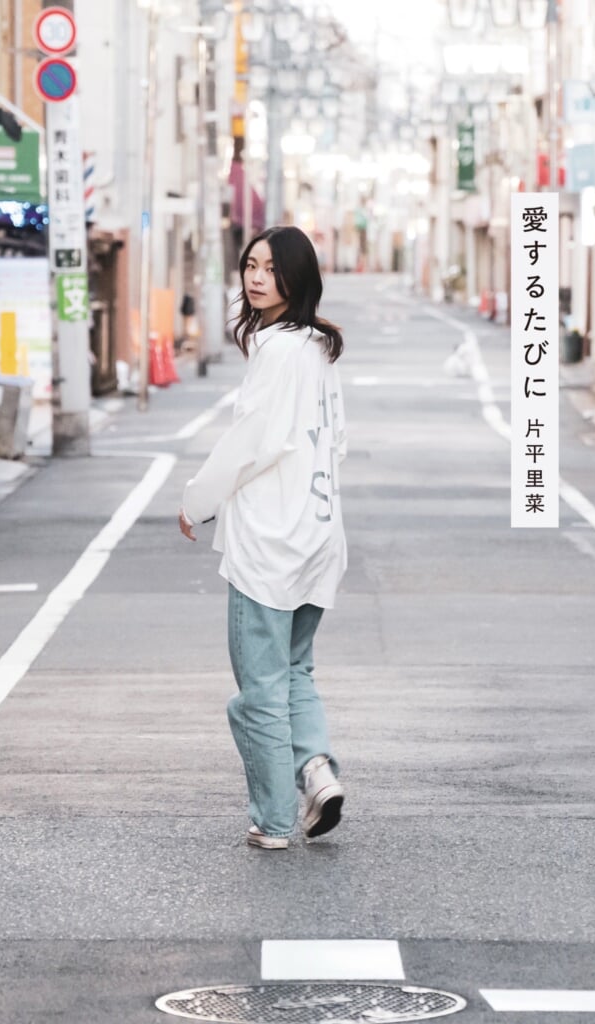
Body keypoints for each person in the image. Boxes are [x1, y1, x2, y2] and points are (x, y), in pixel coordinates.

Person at [178, 225, 348, 851]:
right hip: (319, 535)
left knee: (261, 690)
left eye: (272, 269)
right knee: (294, 669)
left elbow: (250, 442)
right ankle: (317, 771)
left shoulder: (276, 350)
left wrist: (197, 501)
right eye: (251, 265)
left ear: (296, 278)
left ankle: (274, 821)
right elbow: (336, 442)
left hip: (271, 544)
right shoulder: (317, 347)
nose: (256, 278)